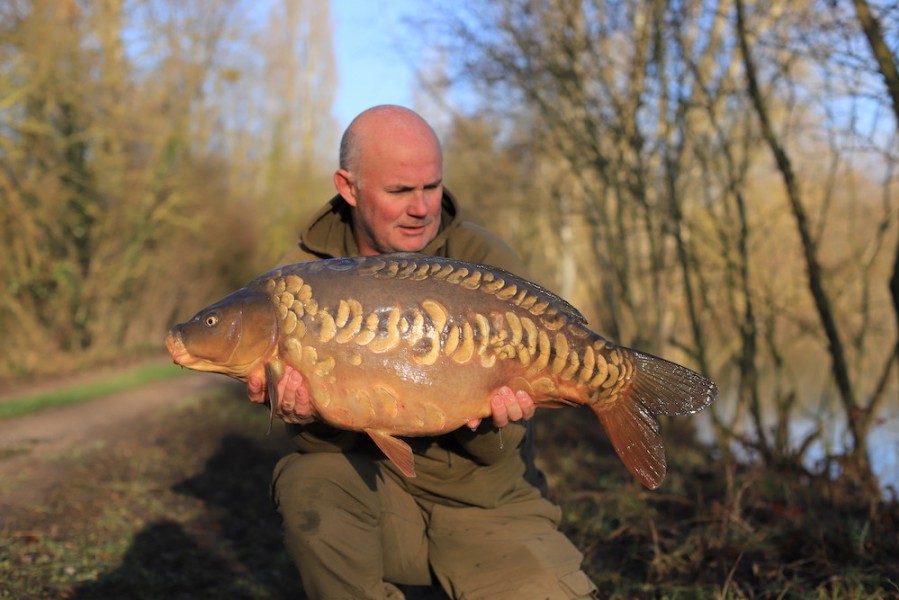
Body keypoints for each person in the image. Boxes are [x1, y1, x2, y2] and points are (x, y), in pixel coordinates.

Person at [247, 105, 598, 599]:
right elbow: (321, 454)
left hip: (487, 504)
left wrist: (498, 422)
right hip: (378, 502)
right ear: (349, 188)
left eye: (431, 187)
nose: (422, 208)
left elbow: (501, 455)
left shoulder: (483, 262)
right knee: (308, 480)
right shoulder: (301, 284)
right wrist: (306, 416)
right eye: (400, 191)